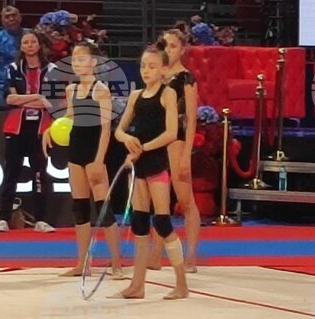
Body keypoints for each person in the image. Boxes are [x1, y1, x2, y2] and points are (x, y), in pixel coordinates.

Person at [111, 46, 190, 300]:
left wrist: (142, 148)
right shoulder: (136, 96)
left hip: (155, 163)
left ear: (164, 69)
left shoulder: (167, 94)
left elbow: (171, 133)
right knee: (140, 223)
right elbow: (118, 130)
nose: (146, 70)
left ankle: (181, 283)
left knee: (162, 223)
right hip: (139, 166)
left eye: (152, 66)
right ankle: (138, 285)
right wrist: (128, 140)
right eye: (143, 66)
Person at [43, 40, 125, 278]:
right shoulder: (71, 90)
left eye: (82, 59)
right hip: (76, 153)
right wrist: (49, 130)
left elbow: (106, 129)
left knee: (103, 209)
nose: (77, 63)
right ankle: (83, 263)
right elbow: (68, 119)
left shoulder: (101, 90)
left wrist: (99, 160)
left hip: (94, 153)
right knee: (80, 209)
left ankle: (116, 263)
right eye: (74, 59)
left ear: (94, 62)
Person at [147, 29, 202, 273]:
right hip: (156, 140)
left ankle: (190, 255)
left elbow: (190, 119)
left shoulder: (186, 78)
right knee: (159, 202)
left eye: (172, 46)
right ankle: (156, 254)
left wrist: (187, 154)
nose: (168, 50)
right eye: (165, 46)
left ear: (182, 49)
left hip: (177, 141)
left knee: (185, 199)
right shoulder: (156, 76)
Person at [0, 30, 55, 233]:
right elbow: (9, 99)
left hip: (41, 128)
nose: (29, 45)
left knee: (39, 174)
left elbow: (52, 102)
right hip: (16, 127)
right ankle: (4, 218)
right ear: (21, 47)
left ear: (39, 45)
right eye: (26, 42)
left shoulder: (52, 70)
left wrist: (25, 99)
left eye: (33, 42)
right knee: (11, 172)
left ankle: (40, 220)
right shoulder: (13, 69)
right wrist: (37, 97)